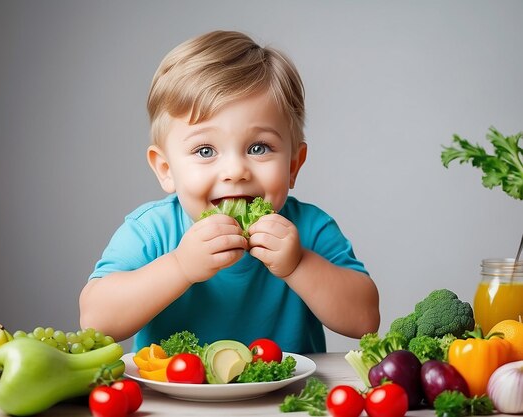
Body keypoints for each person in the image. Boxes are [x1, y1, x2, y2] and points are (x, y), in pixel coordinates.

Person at [79, 30, 379, 353]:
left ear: (293, 165)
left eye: (259, 147)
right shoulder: (152, 231)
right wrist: (180, 266)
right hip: (176, 402)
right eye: (205, 150)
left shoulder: (309, 229)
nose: (236, 171)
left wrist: (299, 265)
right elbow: (96, 320)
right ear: (166, 170)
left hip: (285, 401)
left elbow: (365, 320)